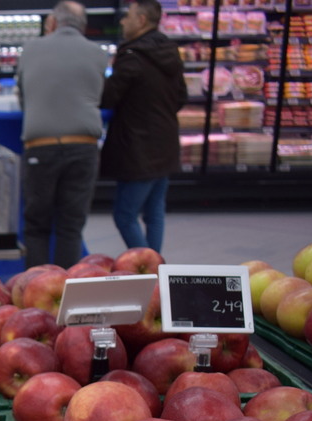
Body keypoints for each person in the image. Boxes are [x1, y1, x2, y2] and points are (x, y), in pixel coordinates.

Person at [16, 2, 110, 268]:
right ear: (83, 26)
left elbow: (24, 98)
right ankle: (68, 286)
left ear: (53, 23)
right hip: (83, 145)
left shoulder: (30, 49)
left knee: (37, 226)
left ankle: (34, 285)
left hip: (40, 145)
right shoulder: (98, 53)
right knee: (71, 227)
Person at [101, 0, 189, 254]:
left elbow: (108, 97)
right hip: (166, 143)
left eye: (127, 16)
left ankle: (148, 265)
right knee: (154, 212)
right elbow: (181, 97)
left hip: (137, 148)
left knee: (124, 215)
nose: (122, 21)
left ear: (141, 20)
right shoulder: (169, 52)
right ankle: (156, 268)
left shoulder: (132, 56)